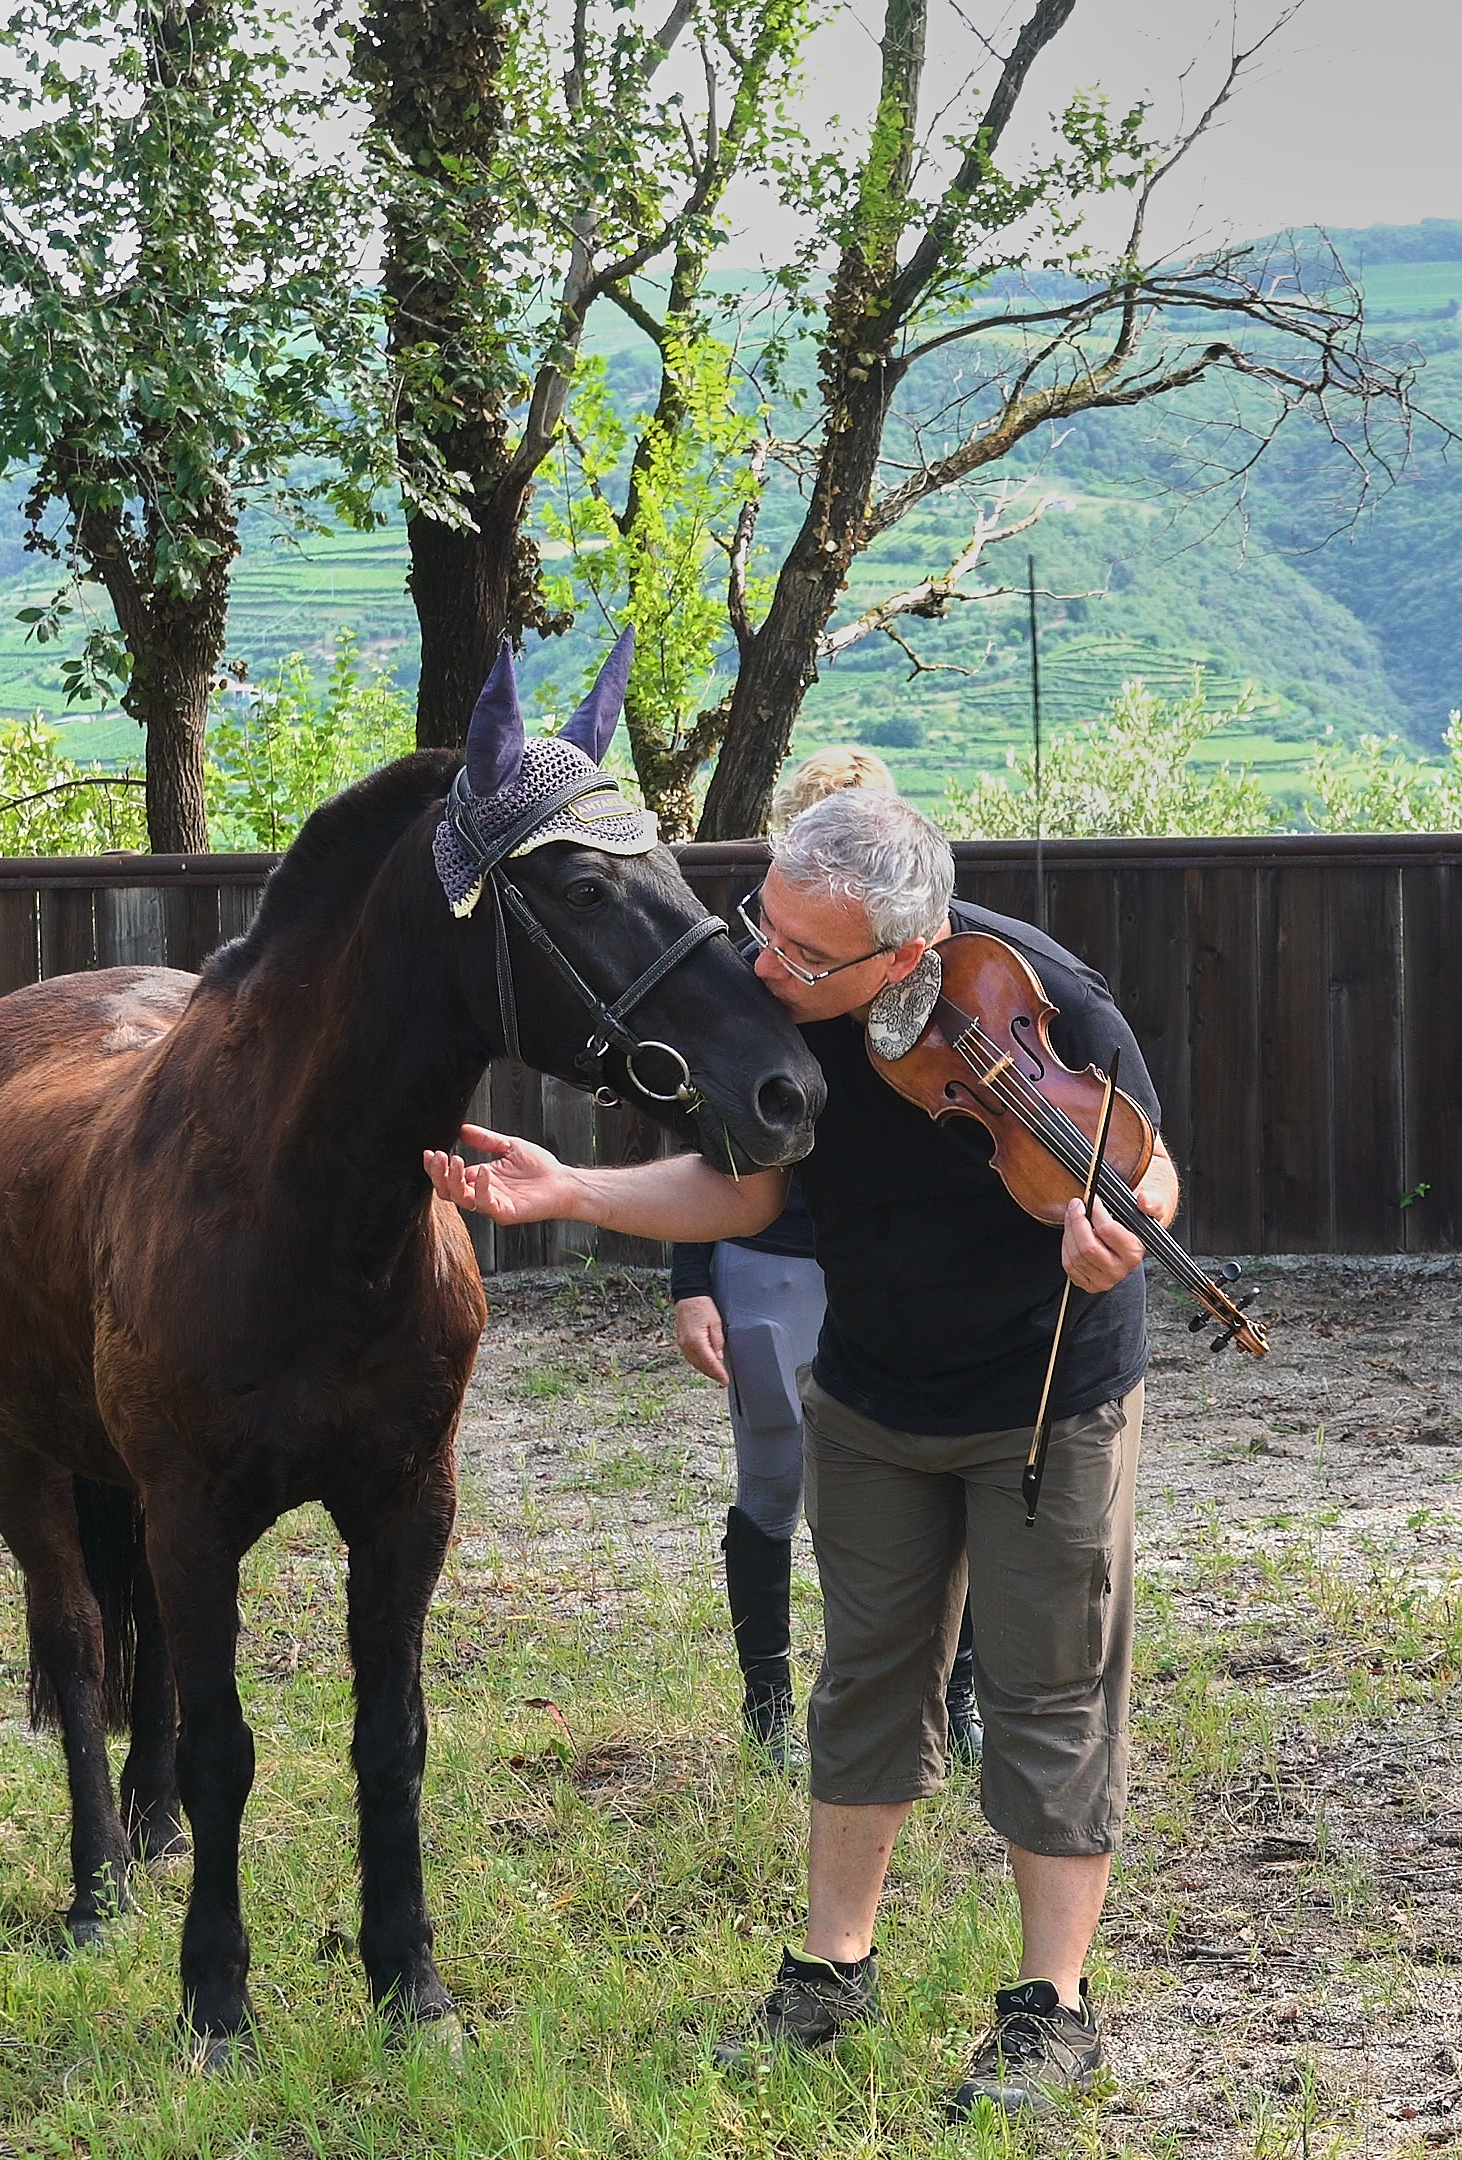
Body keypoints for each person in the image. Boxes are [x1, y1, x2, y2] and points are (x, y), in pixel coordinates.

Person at [425, 786, 1175, 2122]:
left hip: (1043, 1397)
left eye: (806, 954)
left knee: (1050, 1691)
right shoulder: (764, 990)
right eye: (763, 924)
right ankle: (832, 1975)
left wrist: (1115, 1230)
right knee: (865, 1677)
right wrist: (574, 1190)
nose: (766, 964)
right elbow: (748, 1190)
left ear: (908, 951)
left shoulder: (1048, 998)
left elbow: (1149, 1172)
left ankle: (1052, 2011)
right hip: (873, 1392)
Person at [671, 748, 979, 1775]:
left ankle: (957, 1700)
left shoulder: (939, 975)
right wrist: (692, 1284)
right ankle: (767, 1707)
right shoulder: (749, 974)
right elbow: (703, 1138)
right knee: (772, 1475)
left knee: (948, 1478)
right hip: (770, 1254)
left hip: (890, 1261)